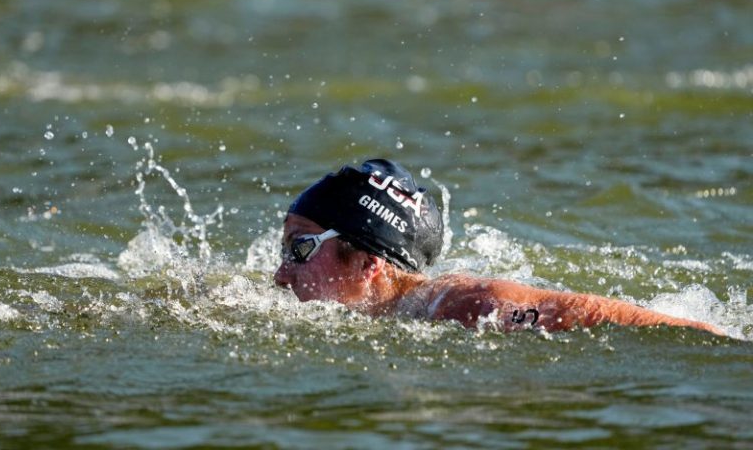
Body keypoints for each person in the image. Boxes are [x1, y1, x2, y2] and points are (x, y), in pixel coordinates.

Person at [273, 159, 724, 335]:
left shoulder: (464, 306)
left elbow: (580, 311)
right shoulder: (388, 311)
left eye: (300, 249)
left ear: (370, 263)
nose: (280, 273)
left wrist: (715, 337)